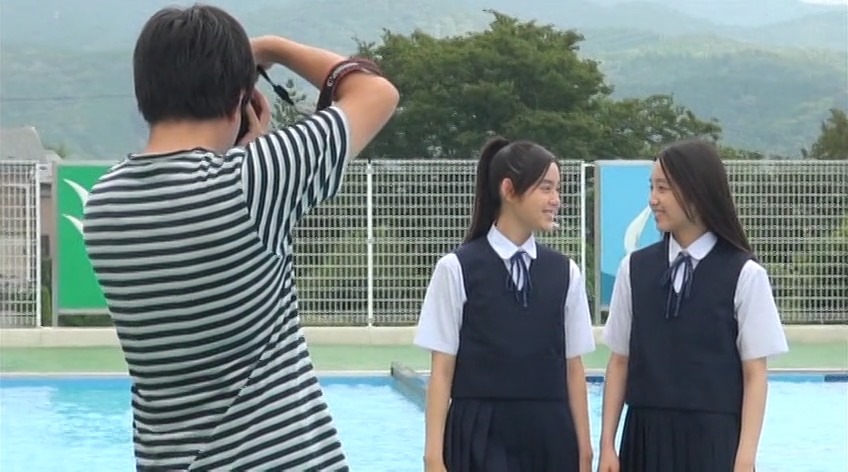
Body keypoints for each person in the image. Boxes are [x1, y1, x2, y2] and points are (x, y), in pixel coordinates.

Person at [81, 4, 398, 471]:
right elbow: (377, 91)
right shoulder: (251, 181)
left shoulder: (104, 203)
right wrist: (271, 48)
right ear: (241, 100)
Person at [597, 139, 789, 472]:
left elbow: (755, 373)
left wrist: (745, 458)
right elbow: (619, 362)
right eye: (652, 187)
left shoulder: (745, 274)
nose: (653, 199)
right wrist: (607, 445)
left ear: (697, 192)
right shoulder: (634, 269)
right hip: (644, 437)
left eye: (663, 188)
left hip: (715, 441)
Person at [413, 137, 596, 472]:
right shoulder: (456, 268)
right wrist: (433, 456)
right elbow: (442, 370)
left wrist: (585, 451)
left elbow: (574, 368)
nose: (556, 200)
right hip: (477, 434)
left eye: (557, 189)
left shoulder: (565, 272)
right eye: (546, 188)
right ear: (509, 190)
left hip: (551, 435)